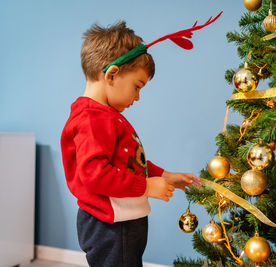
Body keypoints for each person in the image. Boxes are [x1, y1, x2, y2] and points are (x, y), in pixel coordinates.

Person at [60, 21, 202, 267]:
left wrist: (166, 175)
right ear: (112, 74)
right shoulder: (92, 117)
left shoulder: (107, 115)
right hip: (111, 224)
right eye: (137, 87)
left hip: (123, 221)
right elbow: (94, 174)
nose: (138, 97)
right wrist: (147, 187)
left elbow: (129, 161)